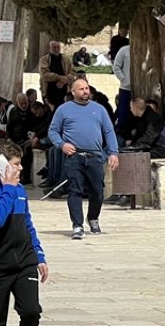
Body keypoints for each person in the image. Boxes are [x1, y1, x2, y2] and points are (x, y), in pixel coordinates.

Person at [0, 140, 48, 326]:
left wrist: (39, 255)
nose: (21, 168)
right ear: (1, 165)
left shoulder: (20, 189)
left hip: (25, 261)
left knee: (31, 312)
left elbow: (27, 223)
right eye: (16, 164)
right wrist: (8, 188)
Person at [47, 78, 119, 239]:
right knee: (75, 190)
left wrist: (113, 152)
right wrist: (62, 144)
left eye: (87, 88)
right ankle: (77, 225)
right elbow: (53, 131)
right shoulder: (64, 109)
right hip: (74, 156)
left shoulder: (99, 109)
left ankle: (93, 217)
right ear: (73, 92)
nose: (85, 91)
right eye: (81, 89)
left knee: (97, 191)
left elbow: (108, 132)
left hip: (95, 155)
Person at [38, 41, 72, 106]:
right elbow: (44, 74)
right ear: (50, 48)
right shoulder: (44, 59)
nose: (56, 49)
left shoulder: (66, 59)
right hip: (49, 92)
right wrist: (60, 78)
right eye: (54, 47)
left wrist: (64, 81)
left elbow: (72, 72)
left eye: (58, 47)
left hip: (64, 91)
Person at [111, 41, 132, 128]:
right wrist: (124, 80)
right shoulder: (124, 50)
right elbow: (116, 66)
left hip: (142, 88)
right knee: (123, 114)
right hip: (126, 88)